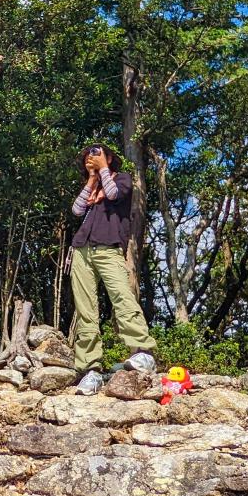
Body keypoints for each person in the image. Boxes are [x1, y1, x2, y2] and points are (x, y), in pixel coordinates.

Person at [67, 142, 155, 394]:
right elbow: (76, 210)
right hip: (82, 250)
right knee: (86, 310)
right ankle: (90, 370)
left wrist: (103, 170)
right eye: (87, 156)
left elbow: (115, 194)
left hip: (109, 249)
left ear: (109, 158)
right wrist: (92, 179)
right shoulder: (93, 186)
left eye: (96, 154)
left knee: (122, 297)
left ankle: (142, 351)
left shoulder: (123, 179)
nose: (90, 158)